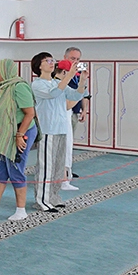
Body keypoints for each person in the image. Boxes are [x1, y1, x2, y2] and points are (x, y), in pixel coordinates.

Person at [0, 59, 38, 221]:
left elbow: (29, 113)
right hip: (4, 134)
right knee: (0, 169)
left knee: (15, 168)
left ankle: (21, 210)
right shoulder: (1, 87)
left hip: (21, 131)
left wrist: (19, 136)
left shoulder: (19, 87)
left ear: (6, 70)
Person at [30, 54, 88, 212]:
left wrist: (82, 81)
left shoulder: (57, 82)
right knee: (45, 167)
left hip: (62, 128)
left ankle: (53, 197)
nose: (51, 63)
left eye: (52, 61)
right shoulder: (37, 84)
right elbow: (54, 93)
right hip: (48, 130)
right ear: (39, 66)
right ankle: (42, 199)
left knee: (57, 166)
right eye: (47, 61)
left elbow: (75, 95)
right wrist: (69, 75)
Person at [62, 47, 90, 187]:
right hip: (62, 113)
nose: (75, 61)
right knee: (62, 144)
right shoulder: (60, 73)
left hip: (73, 112)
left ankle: (68, 171)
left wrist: (84, 110)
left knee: (69, 142)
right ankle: (62, 174)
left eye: (78, 59)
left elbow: (85, 93)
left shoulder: (78, 75)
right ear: (65, 57)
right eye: (72, 58)